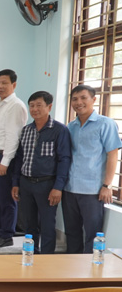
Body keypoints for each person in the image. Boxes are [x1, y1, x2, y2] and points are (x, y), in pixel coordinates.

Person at [11, 91, 71, 254]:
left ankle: (46, 260)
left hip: (47, 184)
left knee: (47, 224)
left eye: (39, 105)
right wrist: (16, 183)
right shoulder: (26, 130)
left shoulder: (59, 130)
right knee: (29, 224)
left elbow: (64, 159)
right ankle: (31, 254)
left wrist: (58, 187)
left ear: (49, 106)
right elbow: (19, 158)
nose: (34, 109)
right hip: (26, 183)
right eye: (32, 105)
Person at [63, 85, 121, 253]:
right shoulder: (70, 126)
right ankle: (71, 269)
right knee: (71, 233)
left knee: (93, 235)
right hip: (69, 189)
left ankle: (90, 274)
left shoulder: (105, 124)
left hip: (93, 191)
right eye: (74, 99)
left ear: (93, 100)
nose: (78, 102)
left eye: (83, 98)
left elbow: (113, 155)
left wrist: (107, 185)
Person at [0, 69, 28, 248]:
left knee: (7, 199)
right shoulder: (1, 105)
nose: (0, 86)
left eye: (4, 83)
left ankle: (7, 235)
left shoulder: (15, 105)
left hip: (5, 157)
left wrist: (5, 162)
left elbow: (13, 136)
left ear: (13, 85)